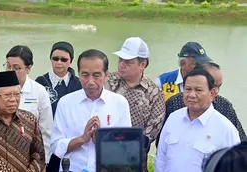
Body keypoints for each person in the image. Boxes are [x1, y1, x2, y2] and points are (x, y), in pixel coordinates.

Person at [51, 49, 132, 172]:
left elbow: (126, 148)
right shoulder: (65, 103)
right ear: (79, 75)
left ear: (106, 76)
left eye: (96, 75)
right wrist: (82, 139)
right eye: (85, 75)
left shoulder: (119, 103)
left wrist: (101, 141)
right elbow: (55, 147)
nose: (90, 81)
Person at [155, 67, 240, 172]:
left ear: (212, 93)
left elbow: (235, 167)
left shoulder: (226, 129)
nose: (191, 95)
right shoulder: (173, 118)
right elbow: (161, 159)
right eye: (188, 89)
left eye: (198, 90)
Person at [0, 45, 53, 165]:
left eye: (16, 68)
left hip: (27, 156)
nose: (10, 71)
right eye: (8, 65)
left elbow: (46, 130)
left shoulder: (39, 91)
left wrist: (41, 163)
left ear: (28, 68)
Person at [105, 37, 165, 171]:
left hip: (134, 161)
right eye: (120, 60)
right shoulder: (107, 81)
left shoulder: (154, 93)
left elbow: (151, 132)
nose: (121, 65)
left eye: (128, 62)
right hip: (103, 152)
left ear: (142, 64)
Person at [0, 71, 45, 171]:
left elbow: (39, 156)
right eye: (7, 95)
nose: (13, 99)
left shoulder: (29, 120)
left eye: (17, 94)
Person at [161, 62, 246, 142]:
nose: (215, 91)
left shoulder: (225, 106)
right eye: (213, 86)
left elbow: (241, 142)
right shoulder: (174, 104)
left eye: (219, 87)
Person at [35, 42, 82, 171]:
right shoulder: (40, 82)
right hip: (47, 138)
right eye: (55, 59)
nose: (59, 63)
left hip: (72, 139)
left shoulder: (78, 84)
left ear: (70, 61)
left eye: (64, 59)